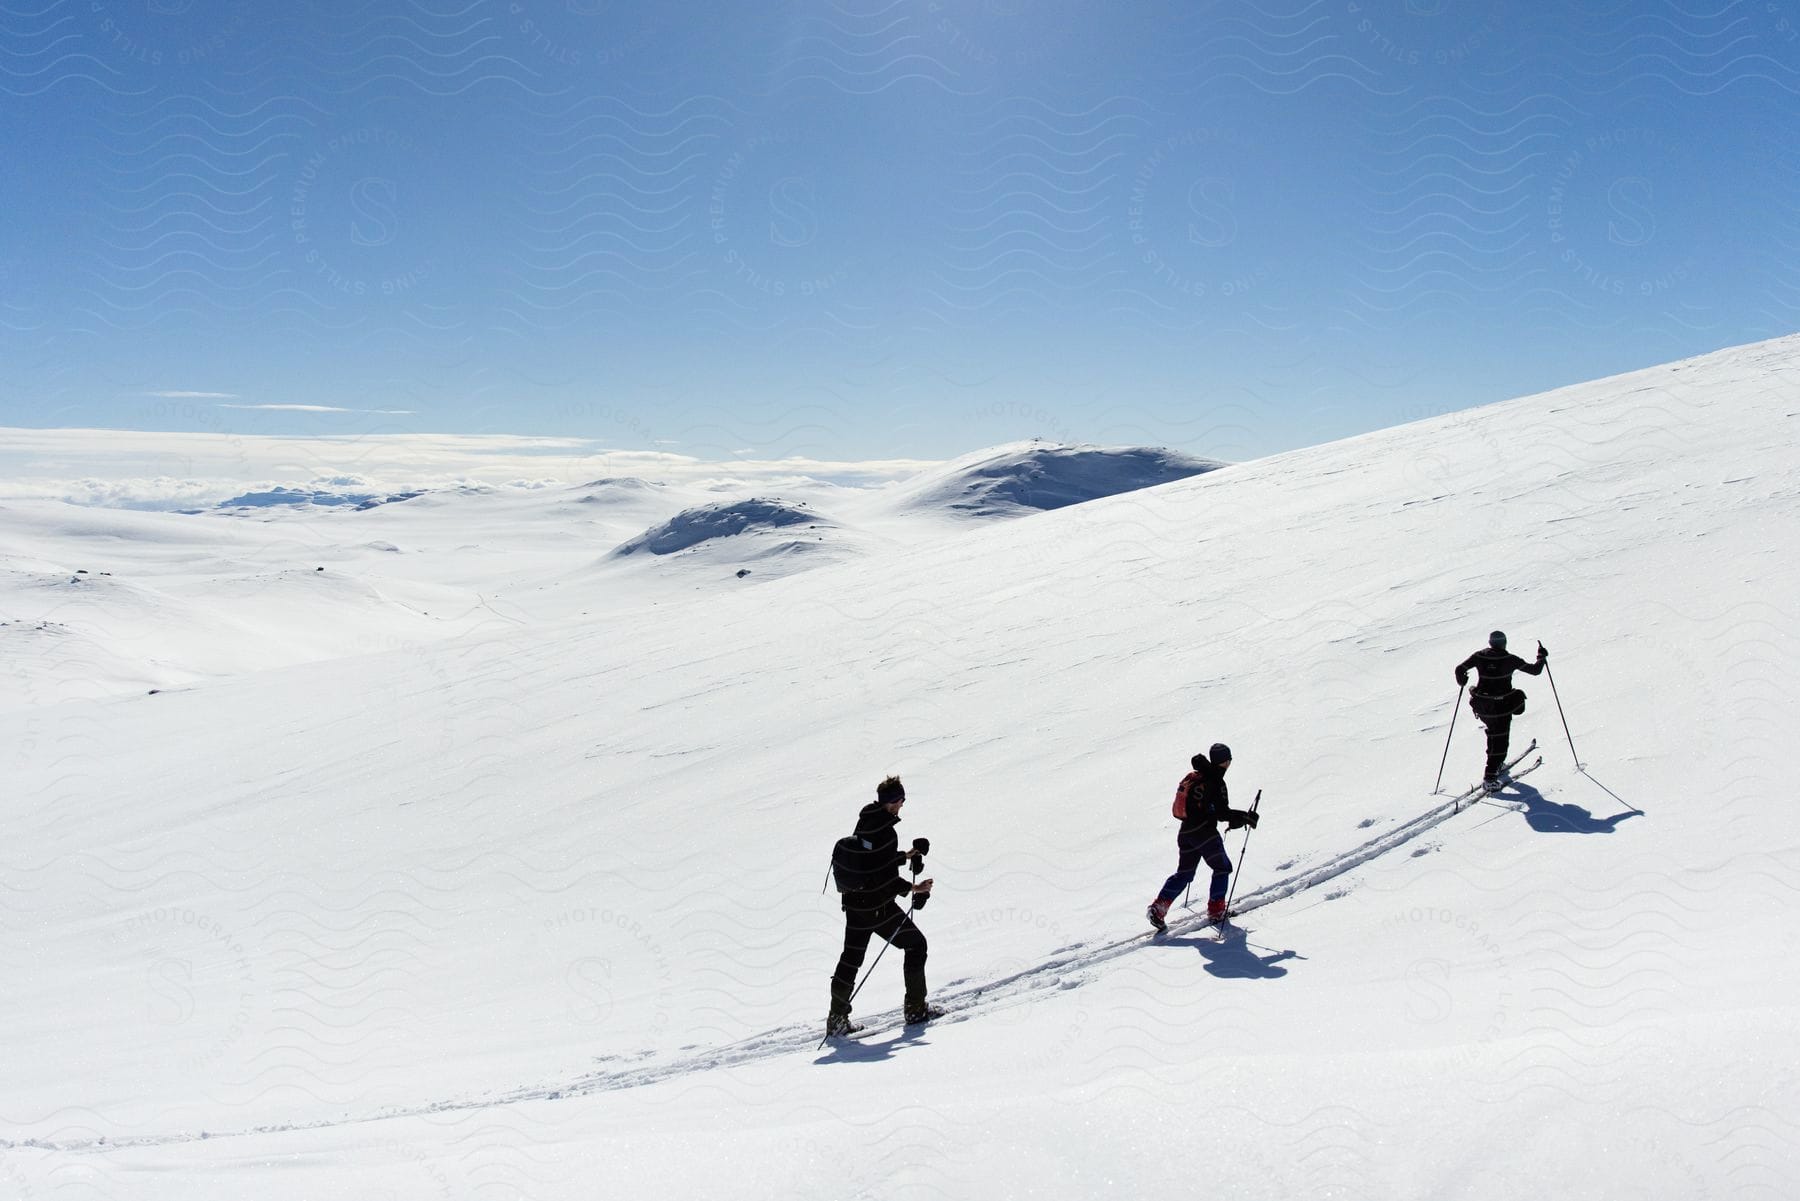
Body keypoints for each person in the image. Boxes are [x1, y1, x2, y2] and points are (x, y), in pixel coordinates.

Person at [826, 776, 941, 1036]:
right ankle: (916, 1010)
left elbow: (873, 861)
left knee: (850, 960)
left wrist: (906, 856)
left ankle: (836, 1020)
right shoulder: (886, 831)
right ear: (893, 802)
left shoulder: (866, 820)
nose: (902, 805)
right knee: (916, 945)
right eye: (901, 801)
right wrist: (914, 888)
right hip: (876, 907)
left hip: (854, 904)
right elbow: (883, 877)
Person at [1146, 743, 1259, 930]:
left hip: (1186, 833)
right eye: (1228, 760)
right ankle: (1216, 911)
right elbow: (1222, 813)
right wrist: (1244, 817)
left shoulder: (1198, 777)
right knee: (1222, 867)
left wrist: (1236, 818)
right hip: (1205, 833)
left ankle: (1158, 908)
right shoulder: (1216, 781)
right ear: (1225, 761)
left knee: (1184, 873)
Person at [1455, 630, 1548, 786]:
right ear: (1504, 643)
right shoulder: (1509, 659)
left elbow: (1459, 668)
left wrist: (1462, 680)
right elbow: (1535, 671)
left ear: (1490, 642)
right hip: (1501, 707)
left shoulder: (1480, 656)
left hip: (1482, 705)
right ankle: (1490, 777)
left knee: (1493, 734)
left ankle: (1496, 765)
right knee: (1501, 740)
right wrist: (1541, 657)